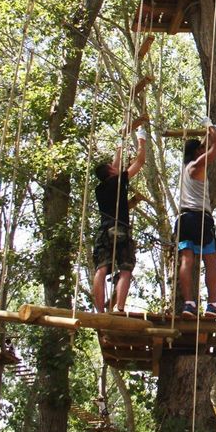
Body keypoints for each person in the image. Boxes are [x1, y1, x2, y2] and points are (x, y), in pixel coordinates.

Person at [92, 124, 147, 313]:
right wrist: (141, 139)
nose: (117, 167)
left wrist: (120, 144)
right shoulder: (119, 180)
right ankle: (120, 308)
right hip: (121, 229)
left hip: (104, 230)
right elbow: (139, 162)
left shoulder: (100, 189)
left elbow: (115, 165)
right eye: (113, 168)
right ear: (111, 172)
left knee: (101, 268)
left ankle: (99, 311)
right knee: (125, 269)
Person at [175, 125, 216, 318]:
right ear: (197, 152)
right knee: (211, 261)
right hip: (200, 218)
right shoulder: (198, 165)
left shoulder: (185, 169)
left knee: (187, 259)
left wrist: (206, 137)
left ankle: (189, 304)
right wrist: (210, 127)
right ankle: (212, 304)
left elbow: (206, 146)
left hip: (184, 219)